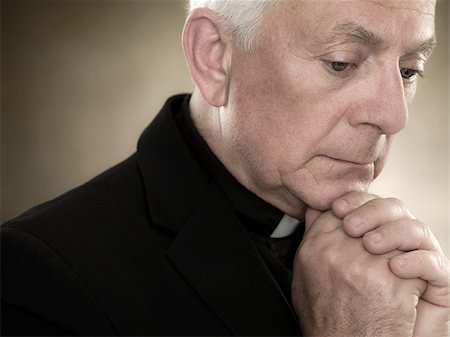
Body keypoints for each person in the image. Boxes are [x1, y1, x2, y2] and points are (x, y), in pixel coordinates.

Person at [2, 0, 449, 336]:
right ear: (214, 57)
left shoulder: (409, 276)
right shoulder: (35, 279)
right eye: (342, 62)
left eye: (409, 70)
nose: (394, 116)